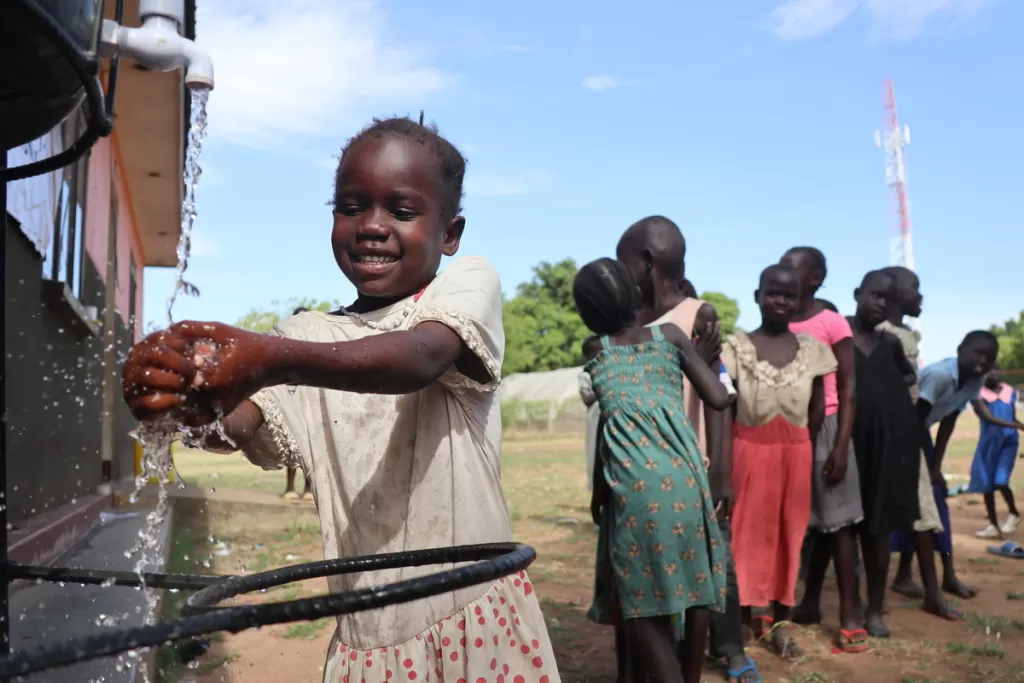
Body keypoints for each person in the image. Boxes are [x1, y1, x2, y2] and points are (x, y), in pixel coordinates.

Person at [121, 117, 560, 682]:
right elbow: (241, 424)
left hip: (469, 613)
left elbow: (419, 357)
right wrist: (179, 400)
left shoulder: (465, 286)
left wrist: (265, 357)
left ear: (450, 234)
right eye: (351, 207)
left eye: (401, 211)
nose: (372, 227)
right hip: (368, 641)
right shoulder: (305, 334)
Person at [576, 257, 730, 683]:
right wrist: (699, 359)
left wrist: (597, 494)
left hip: (634, 491)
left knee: (640, 604)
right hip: (685, 482)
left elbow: (610, 431)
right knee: (696, 589)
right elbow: (718, 399)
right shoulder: (672, 336)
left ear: (587, 314)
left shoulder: (598, 352)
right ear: (636, 293)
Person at [615, 220, 756, 683]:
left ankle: (729, 648)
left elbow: (720, 399)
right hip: (642, 473)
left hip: (695, 471)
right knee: (655, 576)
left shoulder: (697, 315)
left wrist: (722, 475)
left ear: (647, 262)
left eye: (624, 261)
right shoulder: (631, 324)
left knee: (712, 573)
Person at [721, 264, 836, 661]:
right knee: (744, 534)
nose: (781, 301)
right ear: (758, 296)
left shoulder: (814, 352)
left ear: (800, 301)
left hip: (796, 453)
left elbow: (819, 407)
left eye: (790, 295)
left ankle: (781, 620)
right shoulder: (736, 348)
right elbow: (726, 405)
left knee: (790, 535)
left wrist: (803, 446)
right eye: (773, 293)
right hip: (748, 451)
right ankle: (738, 622)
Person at [780, 248, 862, 646]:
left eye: (793, 268)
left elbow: (848, 387)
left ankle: (850, 612)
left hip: (828, 427)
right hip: (784, 429)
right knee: (797, 525)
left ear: (815, 278)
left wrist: (841, 445)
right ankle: (799, 603)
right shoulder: (775, 322)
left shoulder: (830, 322)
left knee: (838, 525)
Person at [890, 330, 1000, 613]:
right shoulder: (939, 375)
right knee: (921, 504)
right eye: (978, 352)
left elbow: (949, 419)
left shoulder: (974, 380)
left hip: (919, 432)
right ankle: (926, 587)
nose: (983, 360)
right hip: (899, 432)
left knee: (934, 500)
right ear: (961, 349)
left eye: (989, 357)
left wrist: (936, 466)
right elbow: (914, 417)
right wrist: (918, 465)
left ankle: (943, 575)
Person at [847, 270, 921, 640]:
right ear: (857, 293)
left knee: (878, 530)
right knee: (838, 530)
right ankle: (836, 602)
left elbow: (908, 380)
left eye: (888, 300)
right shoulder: (836, 334)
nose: (881, 304)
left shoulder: (890, 345)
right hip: (843, 446)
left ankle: (874, 608)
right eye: (875, 295)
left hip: (885, 447)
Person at [968, 364, 1023, 538]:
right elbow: (989, 418)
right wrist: (1016, 425)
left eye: (997, 369)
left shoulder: (1010, 392)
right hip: (989, 444)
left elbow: (1012, 417)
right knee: (987, 484)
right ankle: (993, 525)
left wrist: (1018, 425)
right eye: (990, 370)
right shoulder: (976, 394)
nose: (995, 373)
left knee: (1000, 481)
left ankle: (1014, 513)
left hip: (1009, 442)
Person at [282, 306, 314, 501]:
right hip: (293, 403)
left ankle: (309, 489)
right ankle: (290, 488)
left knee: (310, 448)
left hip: (311, 404)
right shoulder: (288, 348)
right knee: (292, 446)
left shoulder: (316, 346)